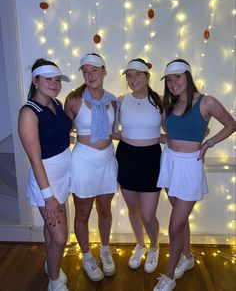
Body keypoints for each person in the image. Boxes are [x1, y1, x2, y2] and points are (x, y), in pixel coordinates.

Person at [153, 59, 236, 291]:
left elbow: (231, 125)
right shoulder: (169, 104)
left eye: (177, 77)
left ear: (188, 76)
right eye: (169, 79)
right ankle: (187, 256)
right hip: (169, 161)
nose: (172, 82)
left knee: (175, 225)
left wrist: (208, 143)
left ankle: (168, 277)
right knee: (180, 221)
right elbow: (171, 133)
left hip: (190, 166)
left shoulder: (206, 101)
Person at [18, 59, 72, 291]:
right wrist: (48, 197)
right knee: (60, 238)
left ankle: (51, 267)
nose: (54, 84)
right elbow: (35, 159)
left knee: (52, 234)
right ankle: (53, 282)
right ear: (35, 80)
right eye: (48, 79)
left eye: (57, 79)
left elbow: (59, 136)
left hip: (62, 177)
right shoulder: (29, 113)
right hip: (46, 181)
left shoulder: (56, 104)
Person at [64, 53, 118, 282]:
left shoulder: (113, 99)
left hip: (107, 160)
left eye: (94, 70)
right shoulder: (74, 99)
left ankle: (105, 250)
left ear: (104, 71)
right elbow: (61, 131)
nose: (89, 75)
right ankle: (87, 256)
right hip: (84, 162)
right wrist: (80, 141)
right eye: (85, 71)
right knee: (83, 212)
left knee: (105, 210)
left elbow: (115, 131)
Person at [115, 58, 166, 273]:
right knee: (133, 209)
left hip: (150, 159)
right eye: (129, 75)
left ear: (147, 76)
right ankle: (140, 244)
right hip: (126, 157)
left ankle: (154, 247)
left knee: (147, 214)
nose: (132, 79)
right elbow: (112, 130)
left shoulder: (161, 101)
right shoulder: (120, 101)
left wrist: (196, 134)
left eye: (138, 74)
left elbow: (172, 129)